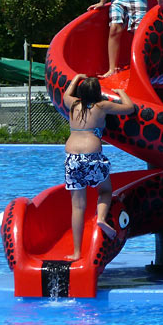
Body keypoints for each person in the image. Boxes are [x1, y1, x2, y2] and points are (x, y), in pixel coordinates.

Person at [63, 73, 134, 260]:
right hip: (92, 155)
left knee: (77, 206)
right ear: (98, 93)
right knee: (105, 191)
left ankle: (77, 252)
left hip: (72, 157)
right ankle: (101, 218)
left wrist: (76, 78)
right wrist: (121, 92)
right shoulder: (101, 106)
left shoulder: (73, 104)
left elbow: (65, 95)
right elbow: (129, 108)